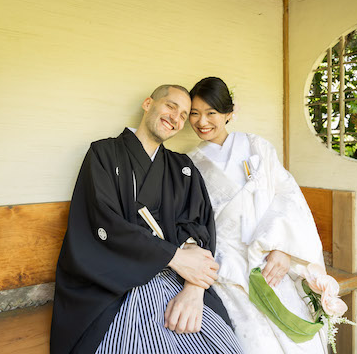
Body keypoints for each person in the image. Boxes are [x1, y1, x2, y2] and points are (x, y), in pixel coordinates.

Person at [50, 84, 243, 354]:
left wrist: (194, 288)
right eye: (170, 106)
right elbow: (103, 224)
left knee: (219, 344)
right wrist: (173, 256)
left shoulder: (183, 168)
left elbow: (199, 230)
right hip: (117, 285)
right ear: (148, 103)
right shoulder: (103, 154)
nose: (175, 117)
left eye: (183, 115)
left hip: (177, 280)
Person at [187, 77, 328, 354]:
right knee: (255, 342)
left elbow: (287, 197)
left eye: (211, 112)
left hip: (270, 255)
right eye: (194, 113)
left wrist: (283, 248)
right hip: (227, 265)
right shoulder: (189, 164)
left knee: (301, 338)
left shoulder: (257, 147)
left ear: (229, 113)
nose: (202, 121)